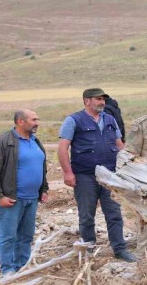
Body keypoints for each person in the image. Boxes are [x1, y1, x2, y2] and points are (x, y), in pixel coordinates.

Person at [58, 88, 136, 263]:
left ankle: (120, 249)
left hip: (109, 175)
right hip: (85, 175)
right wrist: (68, 172)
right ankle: (89, 249)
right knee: (87, 215)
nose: (102, 102)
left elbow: (119, 145)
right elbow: (63, 147)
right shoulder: (73, 120)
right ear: (87, 101)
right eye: (98, 99)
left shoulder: (110, 119)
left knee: (114, 213)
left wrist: (125, 169)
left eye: (103, 99)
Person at [0, 110, 49, 276]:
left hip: (32, 198)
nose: (37, 123)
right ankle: (8, 270)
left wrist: (44, 189)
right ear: (20, 121)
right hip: (12, 199)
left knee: (26, 236)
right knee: (8, 236)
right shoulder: (3, 141)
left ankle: (22, 266)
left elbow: (42, 168)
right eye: (34, 119)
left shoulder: (35, 141)